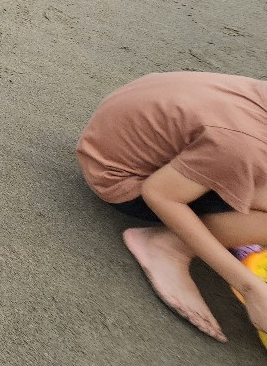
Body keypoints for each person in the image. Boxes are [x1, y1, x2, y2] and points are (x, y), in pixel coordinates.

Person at [76, 71, 267, 345]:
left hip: (124, 136)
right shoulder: (244, 144)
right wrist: (250, 288)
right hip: (122, 178)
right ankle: (169, 247)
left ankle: (222, 226)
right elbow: (159, 194)